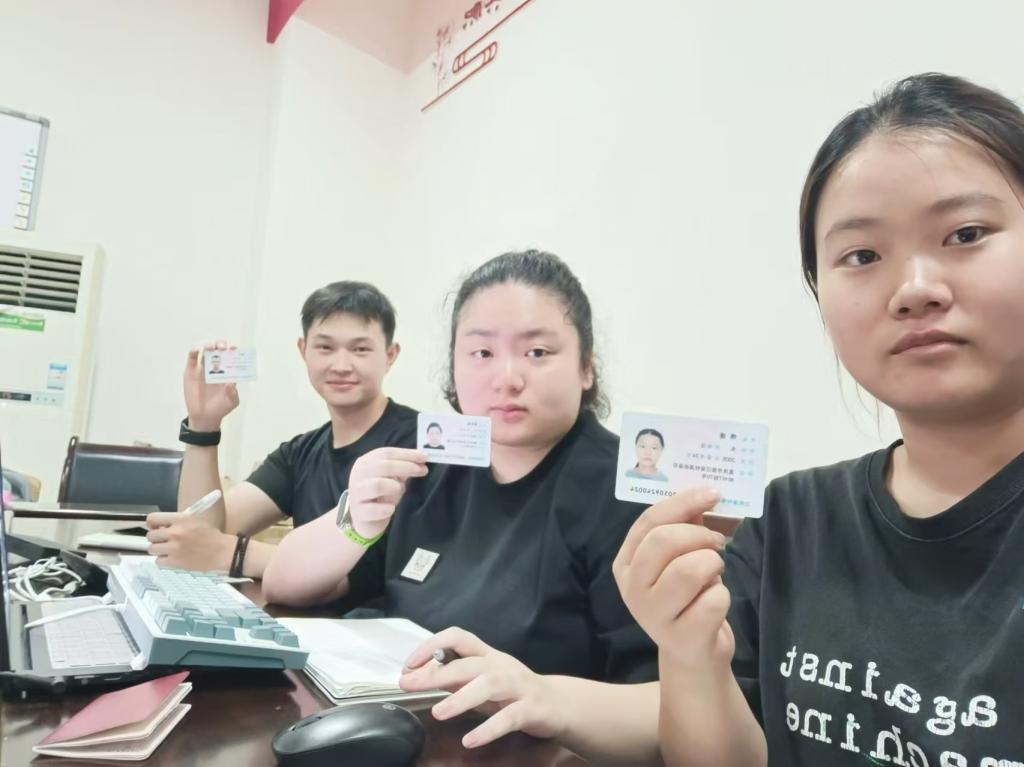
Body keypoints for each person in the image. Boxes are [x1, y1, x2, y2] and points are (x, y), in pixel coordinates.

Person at [401, 73, 1024, 765]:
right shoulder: (789, 519)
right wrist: (690, 655)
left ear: (586, 368)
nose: (914, 289)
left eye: (966, 233)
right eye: (862, 256)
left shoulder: (617, 492)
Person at [263, 251, 658, 696]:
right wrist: (355, 521)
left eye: (537, 352)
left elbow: (669, 700)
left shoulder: (625, 494)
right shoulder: (435, 465)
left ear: (586, 367)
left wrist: (541, 697)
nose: (507, 378)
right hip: (393, 712)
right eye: (482, 352)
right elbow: (283, 584)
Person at [146, 281, 417, 578]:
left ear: (390, 355)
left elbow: (376, 573)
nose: (341, 365)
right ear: (303, 350)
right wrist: (202, 428)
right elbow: (200, 537)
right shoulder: (300, 455)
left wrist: (236, 553)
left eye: (360, 349)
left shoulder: (417, 445)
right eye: (325, 347)